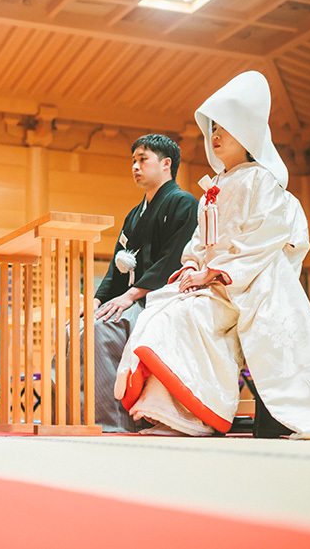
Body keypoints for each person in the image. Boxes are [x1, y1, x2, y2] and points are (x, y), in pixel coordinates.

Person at [113, 71, 310, 439]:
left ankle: (196, 415)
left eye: (225, 128)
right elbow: (199, 244)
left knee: (191, 317)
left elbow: (266, 237)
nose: (215, 135)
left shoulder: (261, 180)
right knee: (161, 309)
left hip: (246, 283)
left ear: (248, 132)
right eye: (213, 128)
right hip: (212, 281)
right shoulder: (214, 187)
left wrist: (212, 273)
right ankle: (165, 410)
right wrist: (190, 266)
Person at [88, 133, 198, 433]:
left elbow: (173, 258)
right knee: (79, 327)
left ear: (166, 164)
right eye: (133, 160)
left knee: (100, 330)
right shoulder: (134, 215)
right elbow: (116, 266)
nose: (135, 166)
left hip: (162, 299)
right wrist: (98, 300)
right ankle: (80, 418)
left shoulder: (184, 203)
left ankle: (113, 422)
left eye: (142, 159)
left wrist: (132, 295)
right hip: (133, 297)